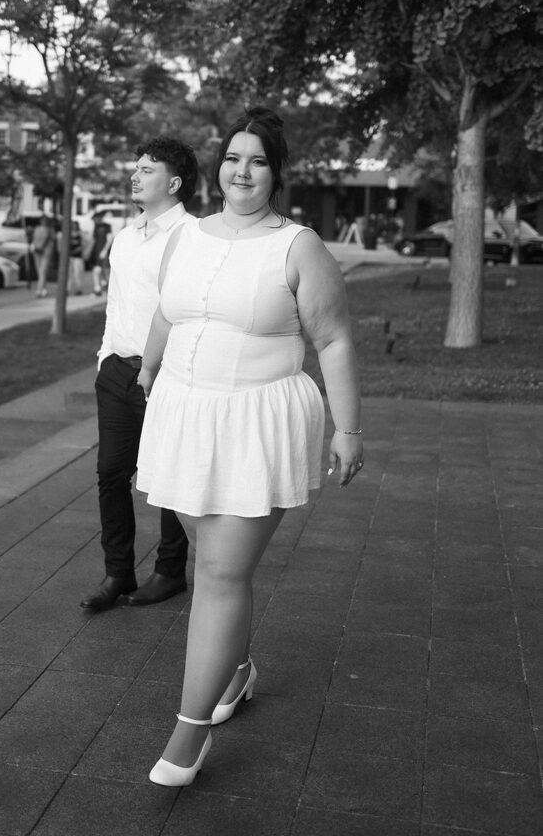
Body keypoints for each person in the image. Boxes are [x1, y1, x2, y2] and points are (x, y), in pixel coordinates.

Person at [136, 106, 363, 787]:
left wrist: (347, 428)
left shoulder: (297, 246)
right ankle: (235, 668)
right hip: (181, 415)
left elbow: (333, 340)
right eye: (233, 158)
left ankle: (190, 731)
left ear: (274, 173)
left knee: (219, 576)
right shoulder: (187, 237)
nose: (242, 170)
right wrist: (147, 369)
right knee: (208, 558)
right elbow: (166, 310)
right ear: (216, 168)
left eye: (258, 160)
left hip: (255, 422)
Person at [80, 136, 199, 612]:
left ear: (173, 182)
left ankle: (170, 572)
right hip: (116, 371)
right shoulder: (126, 237)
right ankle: (117, 572)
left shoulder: (192, 236)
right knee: (111, 472)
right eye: (136, 166)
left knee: (168, 476)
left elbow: (186, 311)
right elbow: (117, 303)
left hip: (167, 374)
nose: (135, 174)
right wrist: (106, 356)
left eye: (147, 169)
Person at [84, 212, 113, 296]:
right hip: (97, 252)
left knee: (100, 271)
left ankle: (98, 289)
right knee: (100, 271)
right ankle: (101, 287)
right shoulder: (96, 227)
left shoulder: (107, 226)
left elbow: (109, 239)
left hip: (104, 252)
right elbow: (94, 240)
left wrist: (105, 250)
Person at [31, 214, 55, 297]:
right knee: (39, 271)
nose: (43, 221)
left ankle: (39, 289)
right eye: (42, 220)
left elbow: (52, 241)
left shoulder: (50, 230)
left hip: (45, 252)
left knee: (43, 271)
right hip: (37, 251)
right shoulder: (37, 229)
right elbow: (34, 239)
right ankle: (44, 288)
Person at [66, 219, 85, 295]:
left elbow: (83, 246)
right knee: (69, 274)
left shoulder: (81, 235)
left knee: (77, 273)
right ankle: (67, 289)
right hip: (70, 257)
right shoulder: (68, 234)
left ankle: (78, 289)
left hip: (78, 257)